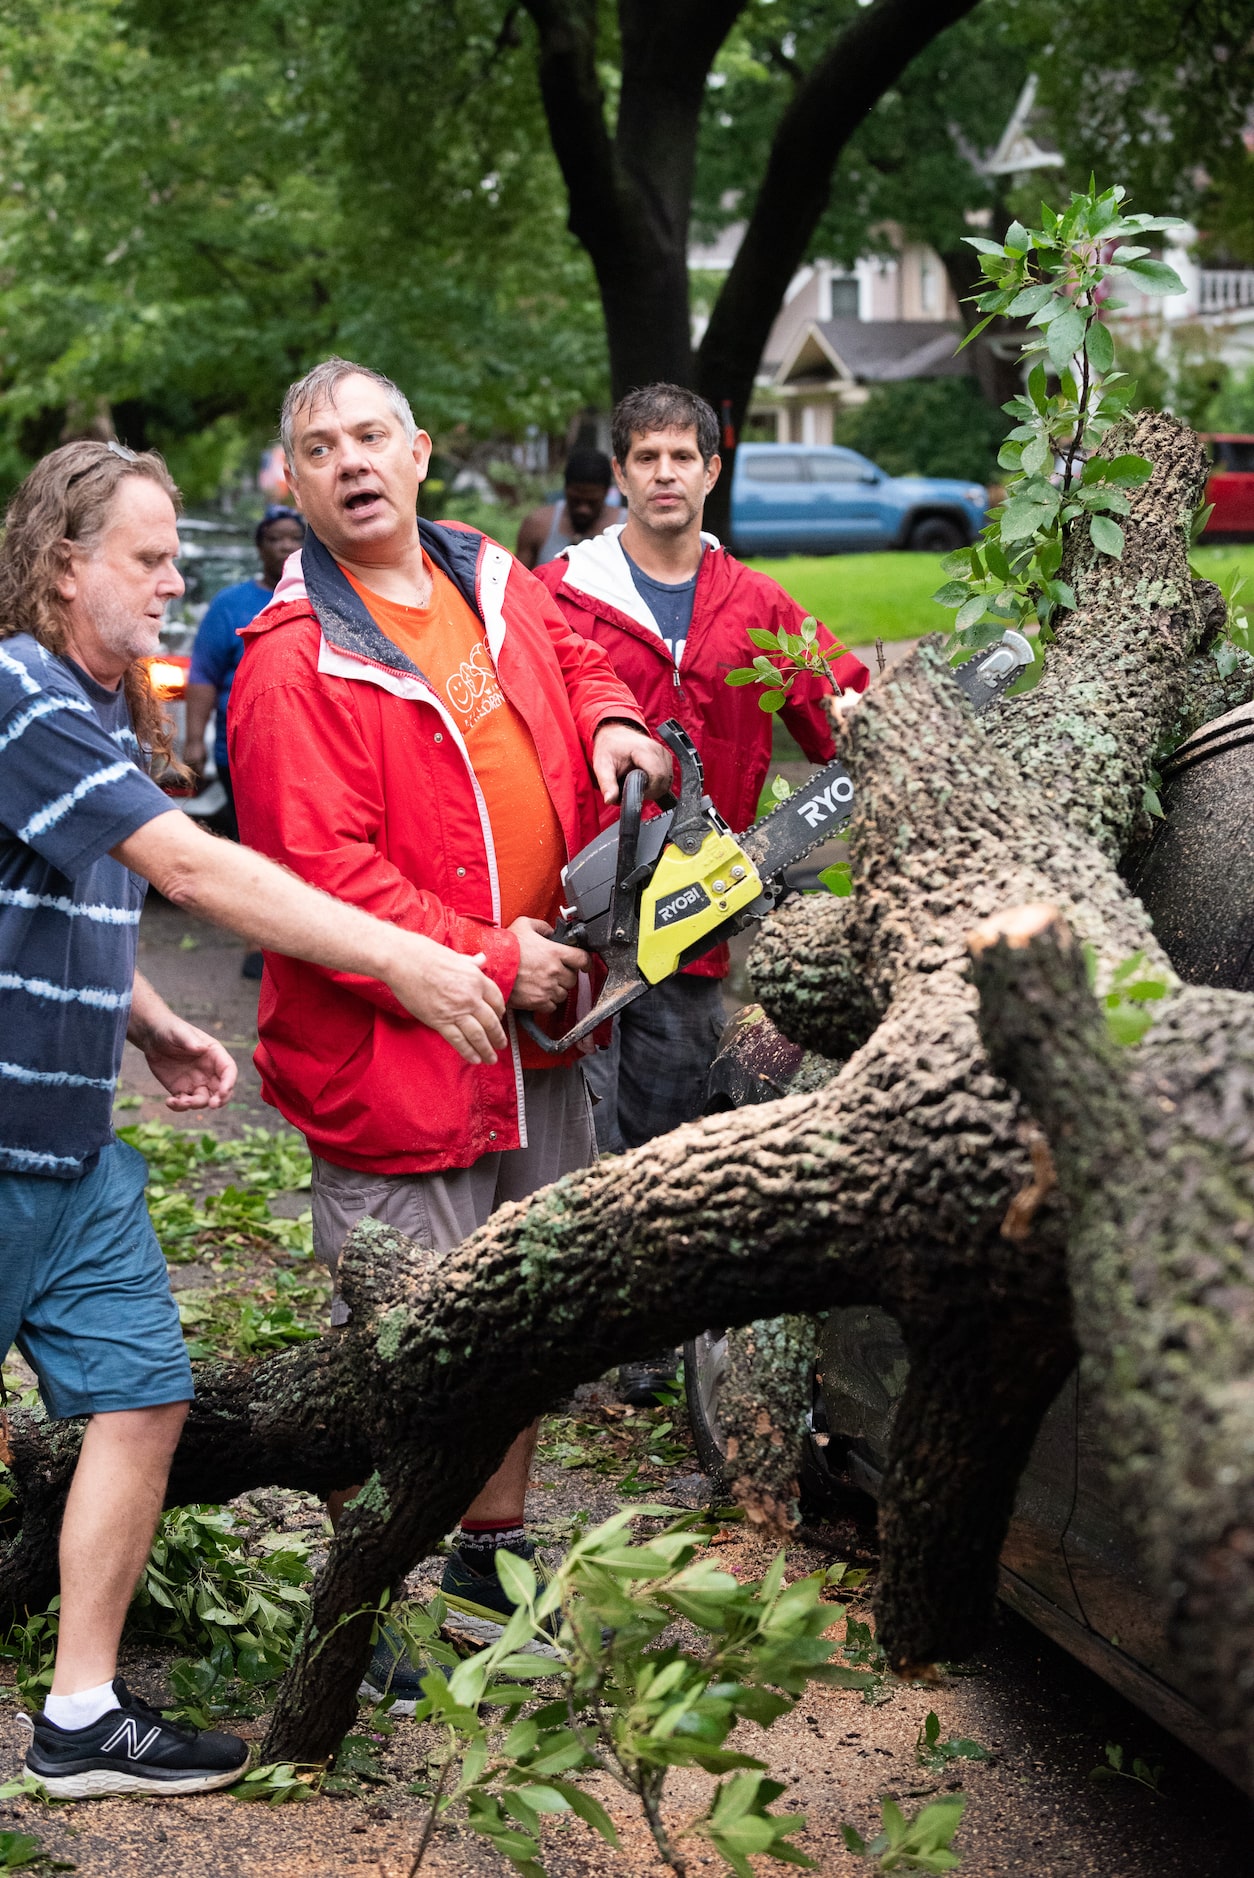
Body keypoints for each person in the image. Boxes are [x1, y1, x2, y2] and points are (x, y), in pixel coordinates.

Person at [0, 440, 509, 1797]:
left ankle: (83, 1715)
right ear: (63, 562)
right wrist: (399, 954)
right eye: (150, 558)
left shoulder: (97, 709)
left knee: (140, 1393)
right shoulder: (17, 693)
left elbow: (62, 898)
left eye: (177, 556)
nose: (180, 582)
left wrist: (151, 1019)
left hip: (71, 1152)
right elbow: (181, 863)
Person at [226, 357, 669, 1701]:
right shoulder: (289, 663)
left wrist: (607, 719)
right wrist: (492, 953)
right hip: (403, 1051)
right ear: (290, 483)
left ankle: (491, 1557)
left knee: (528, 1309)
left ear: (418, 452)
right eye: (320, 445)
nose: (352, 460)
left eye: (372, 435)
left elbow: (580, 648)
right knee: (406, 1343)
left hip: (542, 1025)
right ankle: (366, 1595)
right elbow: (324, 879)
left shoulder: (484, 569)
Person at [536, 384, 869, 1401]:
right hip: (579, 910)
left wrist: (873, 711)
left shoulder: (757, 605)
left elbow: (837, 706)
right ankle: (549, 1334)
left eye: (685, 456)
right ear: (623, 474)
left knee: (670, 1128)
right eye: (648, 458)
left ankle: (646, 1340)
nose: (667, 474)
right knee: (565, 1131)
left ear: (712, 470)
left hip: (700, 921)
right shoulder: (559, 592)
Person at [184, 504, 306, 979]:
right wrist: (194, 740)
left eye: (293, 537)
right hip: (243, 753)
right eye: (274, 538)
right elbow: (203, 676)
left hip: (303, 749)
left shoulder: (325, 593)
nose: (284, 546)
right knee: (257, 847)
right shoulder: (230, 604)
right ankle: (261, 945)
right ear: (260, 547)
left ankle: (306, 940)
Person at [515, 448, 616, 569]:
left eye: (592, 503)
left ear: (606, 493)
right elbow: (518, 581)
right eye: (575, 501)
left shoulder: (627, 528)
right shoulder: (538, 525)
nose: (583, 509)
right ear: (565, 489)